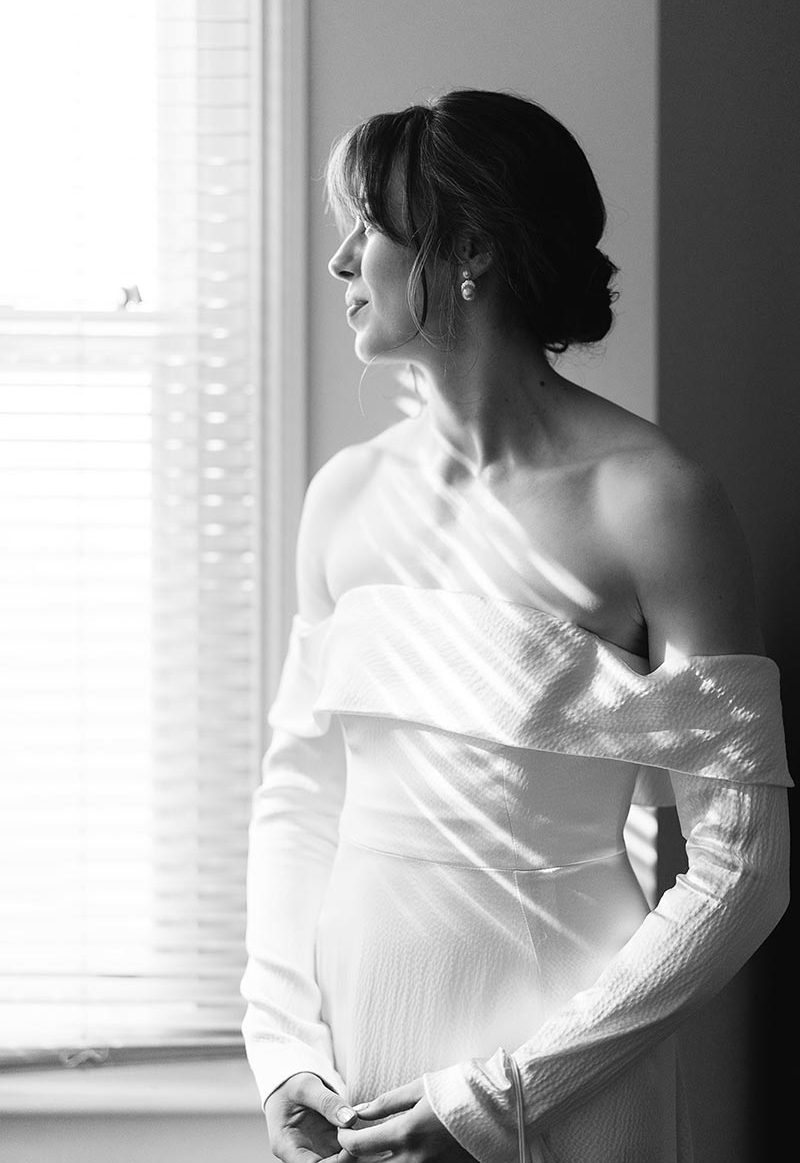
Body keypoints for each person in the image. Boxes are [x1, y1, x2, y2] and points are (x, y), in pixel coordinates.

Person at [240, 89, 792, 1163]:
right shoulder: (343, 497)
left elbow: (743, 869)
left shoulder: (653, 502)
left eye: (367, 229)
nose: (340, 262)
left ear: (470, 250)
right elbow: (299, 795)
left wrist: (505, 1098)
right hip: (352, 1051)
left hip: (563, 1060)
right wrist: (280, 1046)